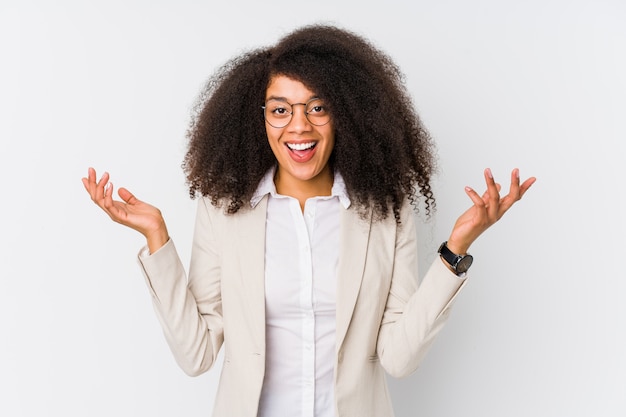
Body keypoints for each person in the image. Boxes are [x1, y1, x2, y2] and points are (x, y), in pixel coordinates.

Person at [82, 24, 535, 417]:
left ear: (346, 115)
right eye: (280, 110)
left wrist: (455, 250)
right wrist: (157, 238)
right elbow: (196, 353)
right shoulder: (223, 210)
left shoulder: (386, 212)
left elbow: (398, 357)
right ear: (259, 120)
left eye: (317, 107)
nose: (298, 126)